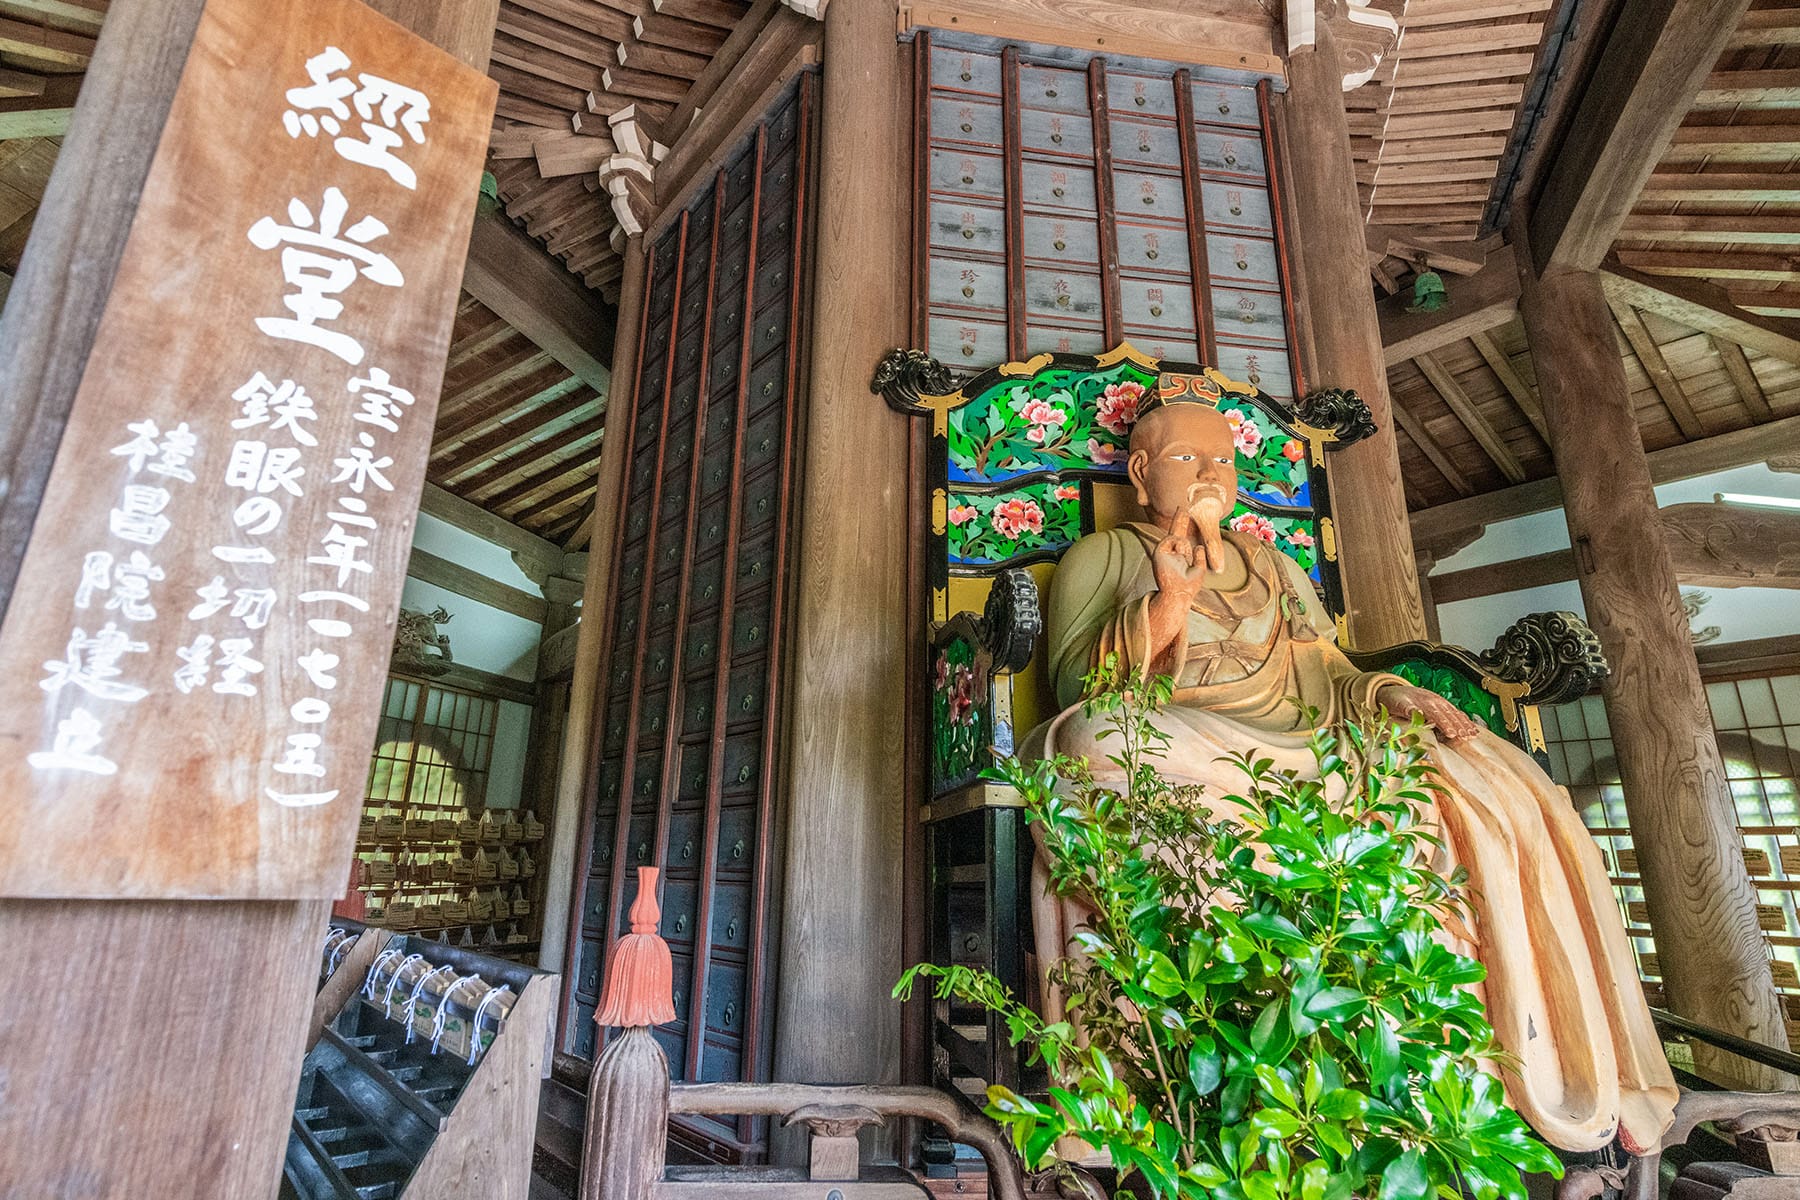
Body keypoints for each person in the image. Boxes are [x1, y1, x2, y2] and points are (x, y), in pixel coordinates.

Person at [1025, 394, 1677, 1155]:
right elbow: (1078, 690)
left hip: (1306, 745)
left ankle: (1481, 1040)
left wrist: (1392, 691)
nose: (1210, 475)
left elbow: (1330, 669)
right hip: (1185, 741)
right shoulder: (1102, 556)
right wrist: (1169, 603)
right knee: (1097, 740)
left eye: (1224, 461)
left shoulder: (1272, 563)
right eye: (1186, 460)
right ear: (1140, 473)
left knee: (1471, 770)